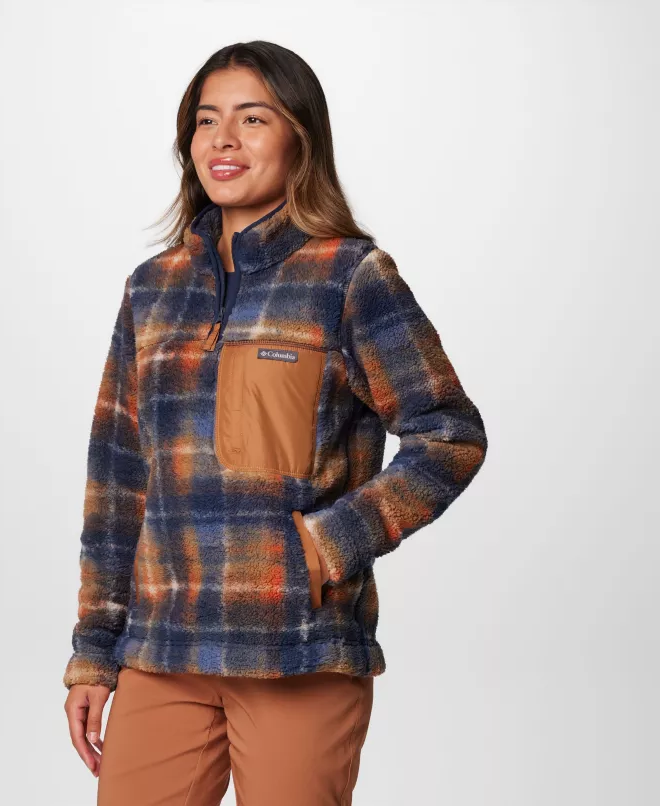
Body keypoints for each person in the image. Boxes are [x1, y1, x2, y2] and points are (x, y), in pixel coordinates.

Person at [63, 40, 488, 806]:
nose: (223, 140)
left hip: (297, 648)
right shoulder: (152, 290)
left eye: (252, 119)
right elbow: (117, 483)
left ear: (300, 137)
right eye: (206, 120)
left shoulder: (349, 276)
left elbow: (449, 436)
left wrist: (331, 542)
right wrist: (95, 652)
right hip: (162, 649)